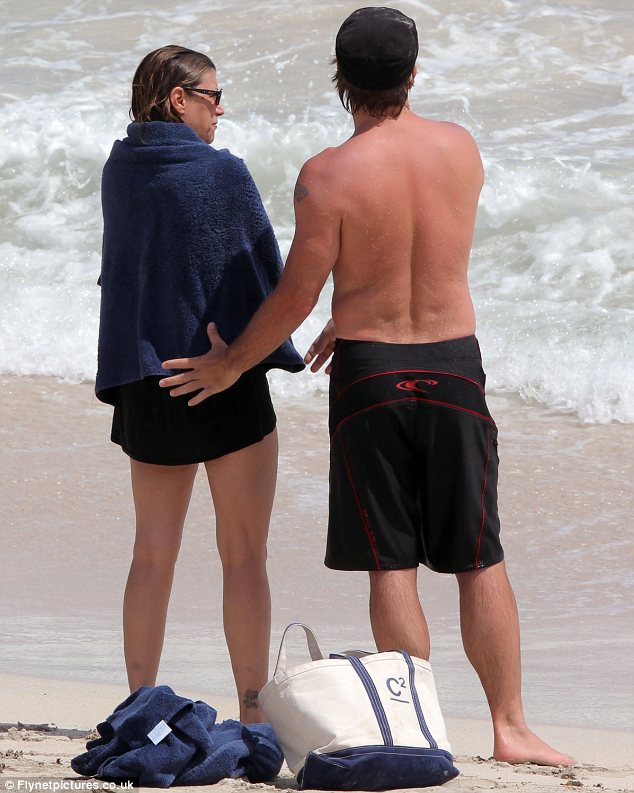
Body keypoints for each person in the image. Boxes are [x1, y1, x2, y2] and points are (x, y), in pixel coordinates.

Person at [158, 10, 574, 765]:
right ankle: (511, 727)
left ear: (340, 79)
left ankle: (419, 729)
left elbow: (297, 294)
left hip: (372, 375)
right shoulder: (460, 148)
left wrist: (231, 364)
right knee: (479, 556)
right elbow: (419, 247)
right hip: (453, 365)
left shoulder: (326, 175)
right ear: (413, 73)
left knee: (392, 561)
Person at [95, 45, 304, 723]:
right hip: (222, 377)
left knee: (151, 554)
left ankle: (137, 706)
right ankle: (252, 712)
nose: (221, 110)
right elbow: (265, 280)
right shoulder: (222, 172)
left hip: (150, 379)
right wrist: (237, 359)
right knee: (243, 555)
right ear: (178, 99)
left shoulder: (120, 169)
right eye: (213, 97)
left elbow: (133, 276)